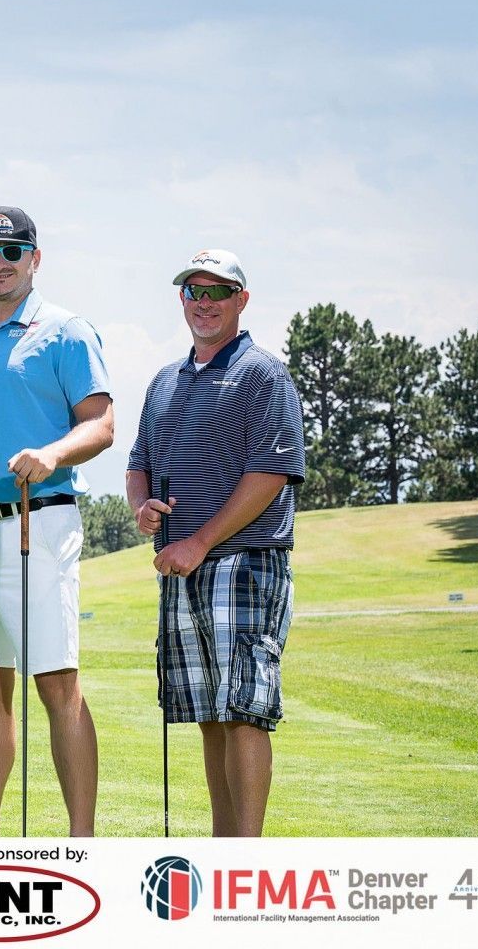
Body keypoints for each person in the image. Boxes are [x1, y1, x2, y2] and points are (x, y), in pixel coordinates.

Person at [0, 205, 114, 838]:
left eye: (12, 251)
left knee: (56, 681)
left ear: (36, 258)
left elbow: (102, 423)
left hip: (39, 521)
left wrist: (53, 453)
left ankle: (81, 839)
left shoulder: (65, 332)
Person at [125, 248, 305, 837]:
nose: (204, 303)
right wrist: (141, 507)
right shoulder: (165, 382)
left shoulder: (264, 375)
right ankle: (223, 855)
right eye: (193, 292)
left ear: (241, 301)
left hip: (244, 561)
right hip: (184, 567)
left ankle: (245, 870)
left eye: (218, 292)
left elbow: (270, 474)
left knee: (245, 710)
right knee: (207, 712)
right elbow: (139, 465)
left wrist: (199, 541)